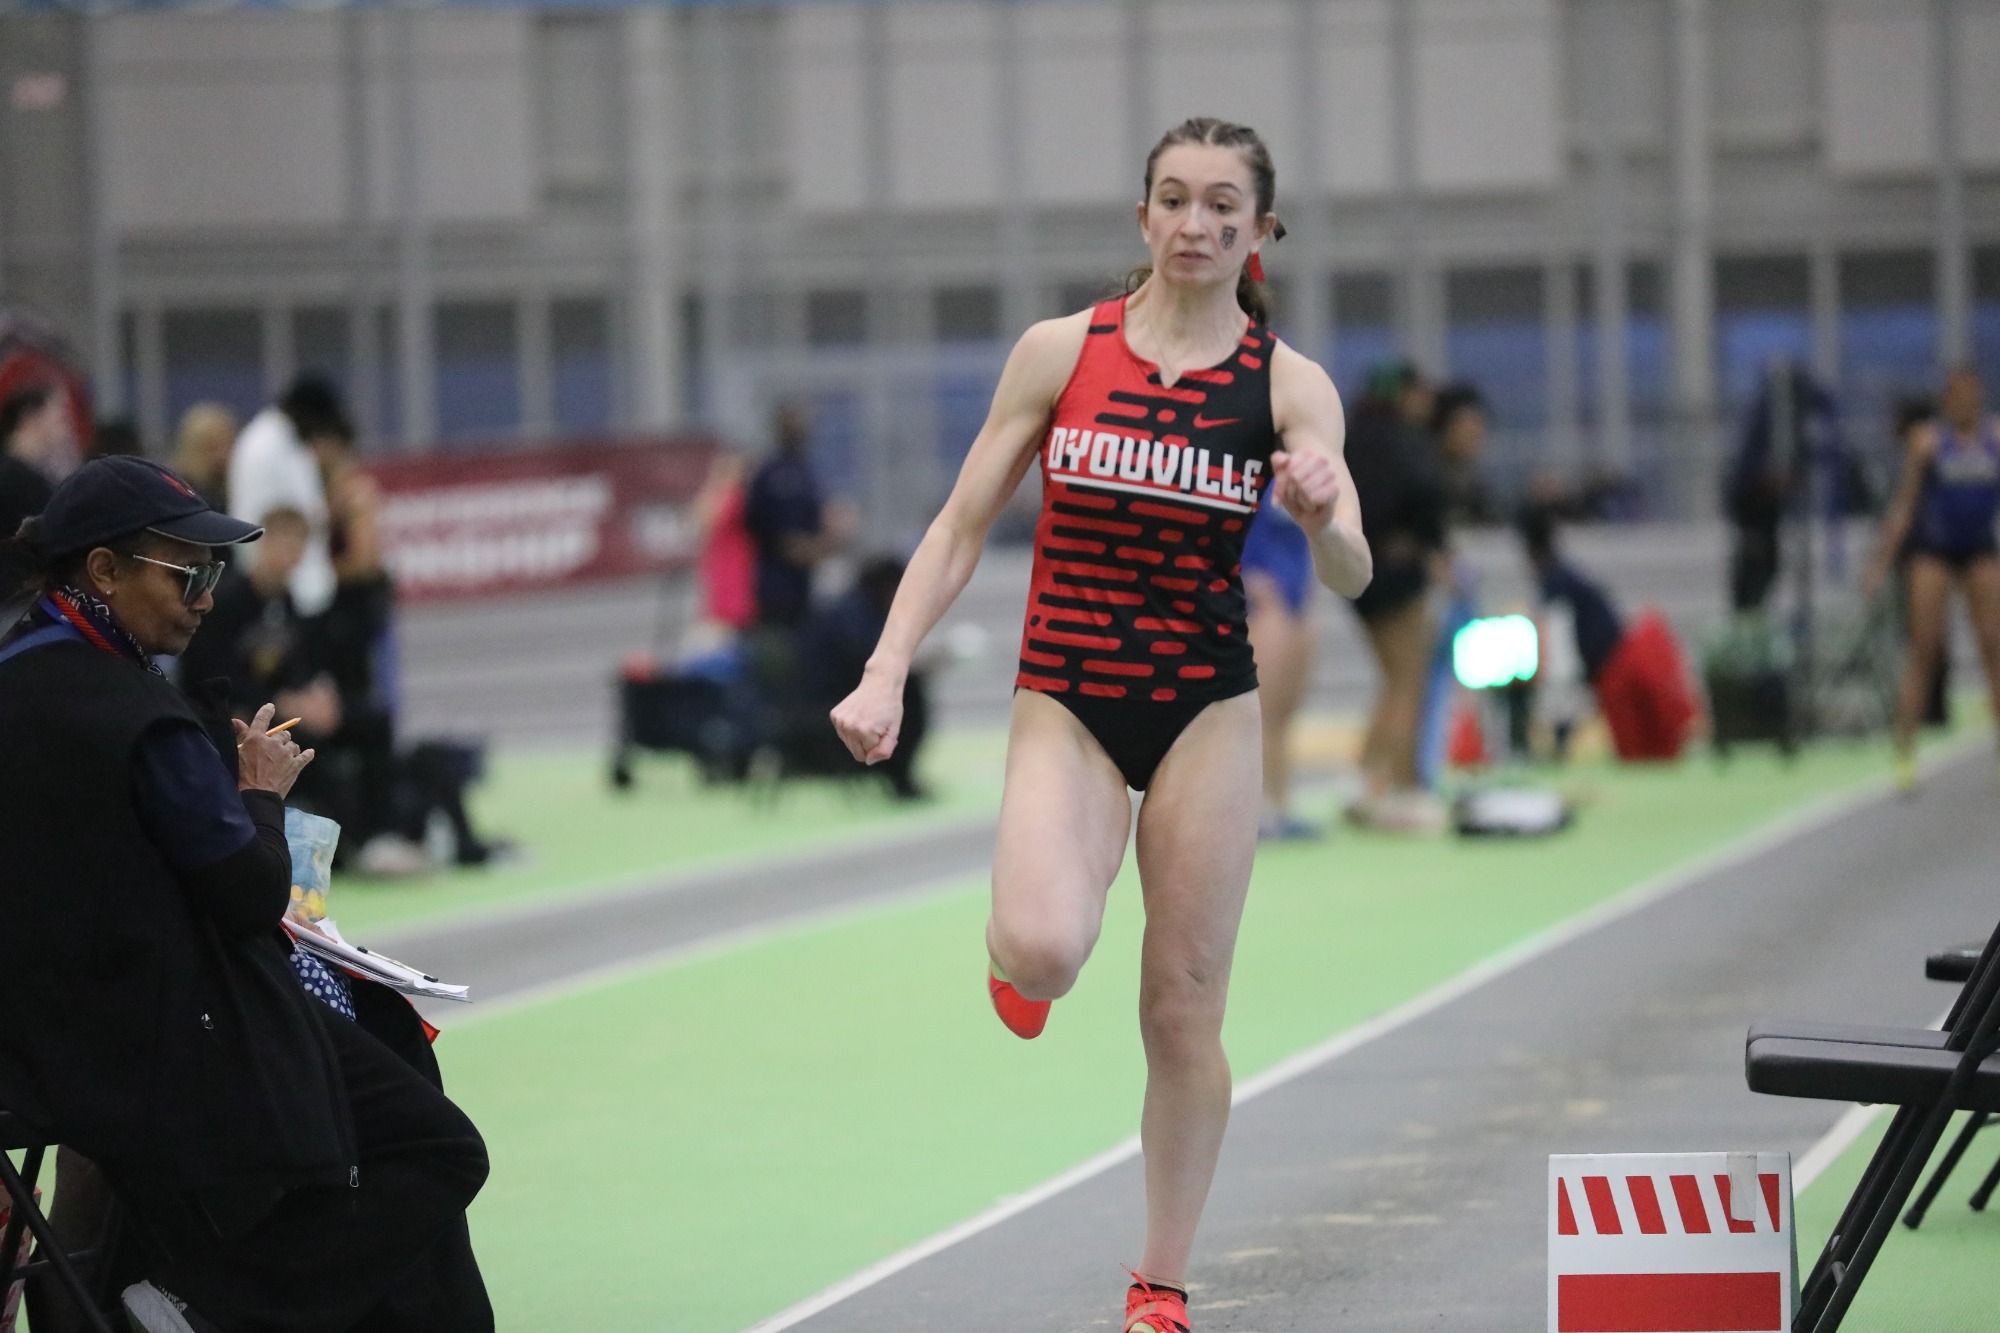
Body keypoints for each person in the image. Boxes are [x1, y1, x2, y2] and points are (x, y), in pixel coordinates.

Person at [831, 117, 1370, 1333]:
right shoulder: (1059, 352)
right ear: (1142, 218)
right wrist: (885, 670)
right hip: (1068, 692)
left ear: (1258, 230)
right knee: (1042, 950)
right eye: (1173, 199)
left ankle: (1158, 1284)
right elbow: (958, 526)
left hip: (1203, 707)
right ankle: (1020, 954)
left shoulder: (1287, 384)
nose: (1195, 224)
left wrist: (1323, 513)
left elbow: (1350, 570)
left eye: (1221, 205)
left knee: (1180, 1007)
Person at [0, 456, 491, 1332]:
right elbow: (251, 895)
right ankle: (199, 1309)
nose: (206, 598)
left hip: (33, 1042)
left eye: (214, 574)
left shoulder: (16, 672)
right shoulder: (141, 717)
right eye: (187, 575)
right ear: (103, 569)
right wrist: (260, 794)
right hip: (157, 1048)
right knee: (439, 1141)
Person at [1864, 368, 2000, 792]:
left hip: (1979, 550)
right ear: (1946, 400)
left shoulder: (1995, 439)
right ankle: (1906, 751)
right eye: (1956, 396)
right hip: (1934, 551)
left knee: (1993, 645)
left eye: (1970, 395)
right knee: (1924, 649)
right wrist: (1881, 562)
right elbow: (1904, 505)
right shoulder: (1928, 442)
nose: (1963, 404)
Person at [1340, 361, 1448, 832]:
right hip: (1397, 571)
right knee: (1407, 680)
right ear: (1405, 395)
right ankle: (1399, 787)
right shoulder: (1405, 442)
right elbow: (1424, 492)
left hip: (1361, 569)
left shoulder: (1352, 437)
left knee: (1395, 679)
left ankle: (1368, 778)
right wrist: (1431, 544)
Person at [1519, 504, 1695, 762]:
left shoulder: (1556, 582)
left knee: (1636, 750)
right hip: (1613, 661)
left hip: (1614, 667)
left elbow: (1558, 647)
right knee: (1641, 749)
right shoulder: (1566, 574)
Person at [798, 555, 930, 800]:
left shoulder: (858, 608)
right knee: (909, 697)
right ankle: (898, 774)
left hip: (834, 688)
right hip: (831, 695)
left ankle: (899, 774)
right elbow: (862, 658)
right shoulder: (854, 612)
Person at [229, 375, 347, 617]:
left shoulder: (284, 441)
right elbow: (263, 515)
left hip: (295, 583)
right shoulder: (266, 446)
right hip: (279, 585)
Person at [1240, 498, 1318, 839]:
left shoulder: (1297, 478)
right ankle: (1255, 808)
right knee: (1262, 712)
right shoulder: (1255, 478)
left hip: (1295, 595)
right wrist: (1245, 577)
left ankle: (1281, 801)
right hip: (1263, 600)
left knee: (1285, 711)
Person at [744, 403, 849, 627]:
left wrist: (827, 542)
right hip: (774, 584)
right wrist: (796, 548)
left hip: (805, 584)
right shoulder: (769, 473)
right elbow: (757, 523)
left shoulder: (808, 471)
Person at [0, 384, 62, 617]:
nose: (64, 428)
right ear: (29, 417)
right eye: (57, 418)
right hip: (15, 604)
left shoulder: (25, 475)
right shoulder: (17, 478)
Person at [174, 402, 239, 512]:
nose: (222, 455)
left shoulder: (234, 490)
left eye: (227, 444)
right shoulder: (178, 496)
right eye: (212, 448)